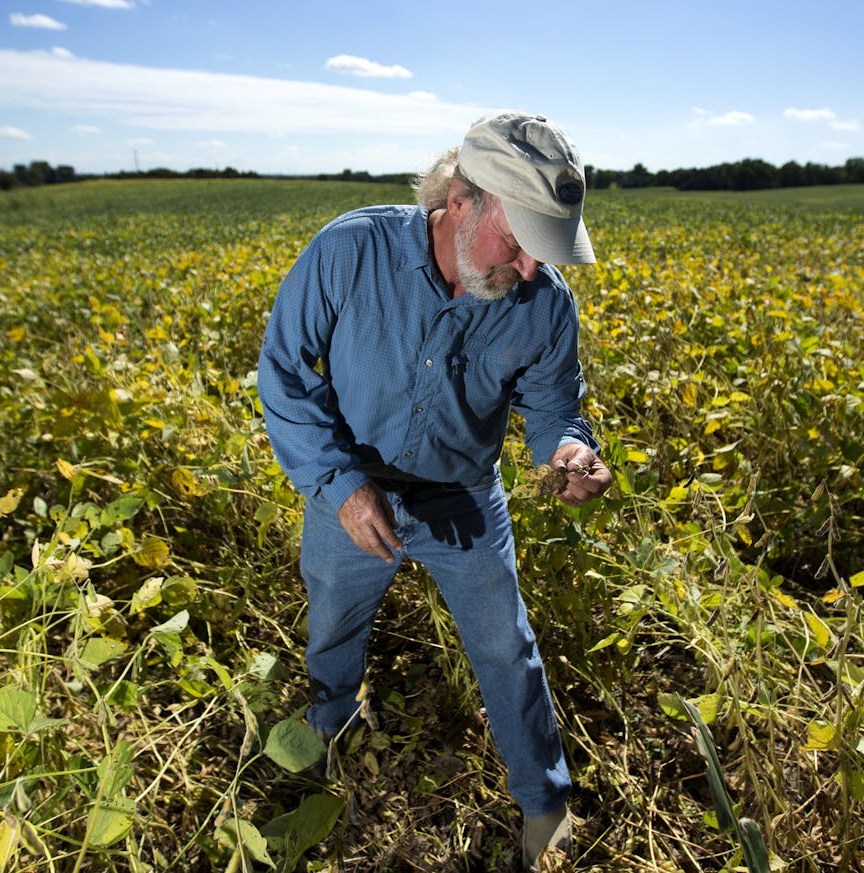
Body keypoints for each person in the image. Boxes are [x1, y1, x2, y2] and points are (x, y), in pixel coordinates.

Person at [256, 110, 611, 870]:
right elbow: (283, 372)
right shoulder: (349, 251)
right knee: (334, 621)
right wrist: (343, 486)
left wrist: (571, 448)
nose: (526, 269)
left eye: (540, 254)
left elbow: (552, 408)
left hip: (463, 498)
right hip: (348, 485)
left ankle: (545, 805)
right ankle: (329, 723)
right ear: (461, 200)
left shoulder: (545, 301)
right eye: (517, 243)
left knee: (505, 646)